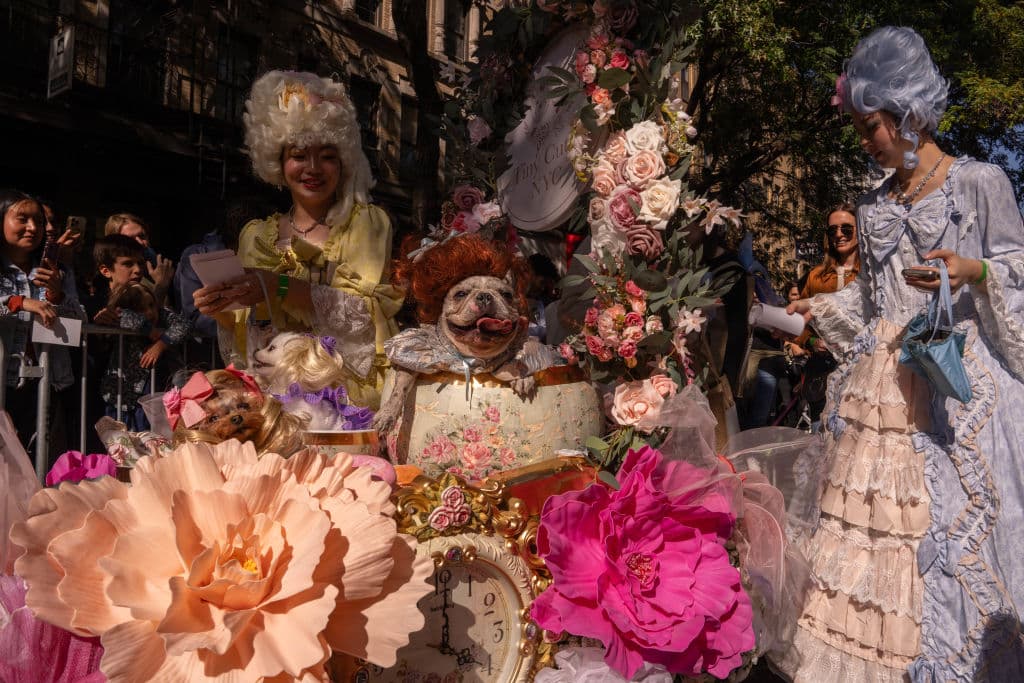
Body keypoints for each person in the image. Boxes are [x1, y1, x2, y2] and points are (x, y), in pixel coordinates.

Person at [781, 26, 1024, 680]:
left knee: (939, 545)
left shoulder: (980, 183)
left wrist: (970, 269)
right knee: (864, 548)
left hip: (954, 383)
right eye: (860, 129)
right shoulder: (870, 205)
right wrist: (815, 308)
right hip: (880, 396)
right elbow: (872, 308)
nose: (866, 142)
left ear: (909, 112)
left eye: (873, 127)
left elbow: (1018, 270)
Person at [195, 71, 403, 409]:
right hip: (274, 398)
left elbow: (361, 317)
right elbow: (248, 334)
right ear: (278, 160)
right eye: (299, 155)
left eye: (327, 155)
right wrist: (219, 309)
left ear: (343, 161)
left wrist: (276, 285)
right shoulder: (256, 235)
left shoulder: (366, 223)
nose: (313, 168)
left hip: (341, 396)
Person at [0, 190, 80, 449]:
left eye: (38, 221)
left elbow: (78, 323)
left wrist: (56, 295)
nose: (33, 228)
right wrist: (18, 302)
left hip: (45, 381)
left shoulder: (57, 270)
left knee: (36, 461)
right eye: (22, 219)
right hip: (3, 380)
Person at [796, 204, 862, 429]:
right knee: (821, 433)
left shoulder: (870, 274)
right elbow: (799, 324)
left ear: (860, 229)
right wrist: (812, 341)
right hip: (823, 371)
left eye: (846, 228)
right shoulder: (816, 276)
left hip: (863, 371)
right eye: (832, 230)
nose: (839, 235)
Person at [99, 282, 192, 430]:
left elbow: (184, 325)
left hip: (149, 394)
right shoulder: (120, 316)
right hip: (122, 394)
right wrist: (148, 329)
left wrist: (161, 344)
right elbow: (122, 314)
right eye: (141, 309)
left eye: (151, 305)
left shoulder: (163, 314)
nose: (149, 312)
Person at [103, 212, 174, 306]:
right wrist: (161, 287)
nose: (140, 242)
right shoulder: (120, 276)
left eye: (142, 236)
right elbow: (145, 316)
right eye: (130, 239)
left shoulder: (155, 264)